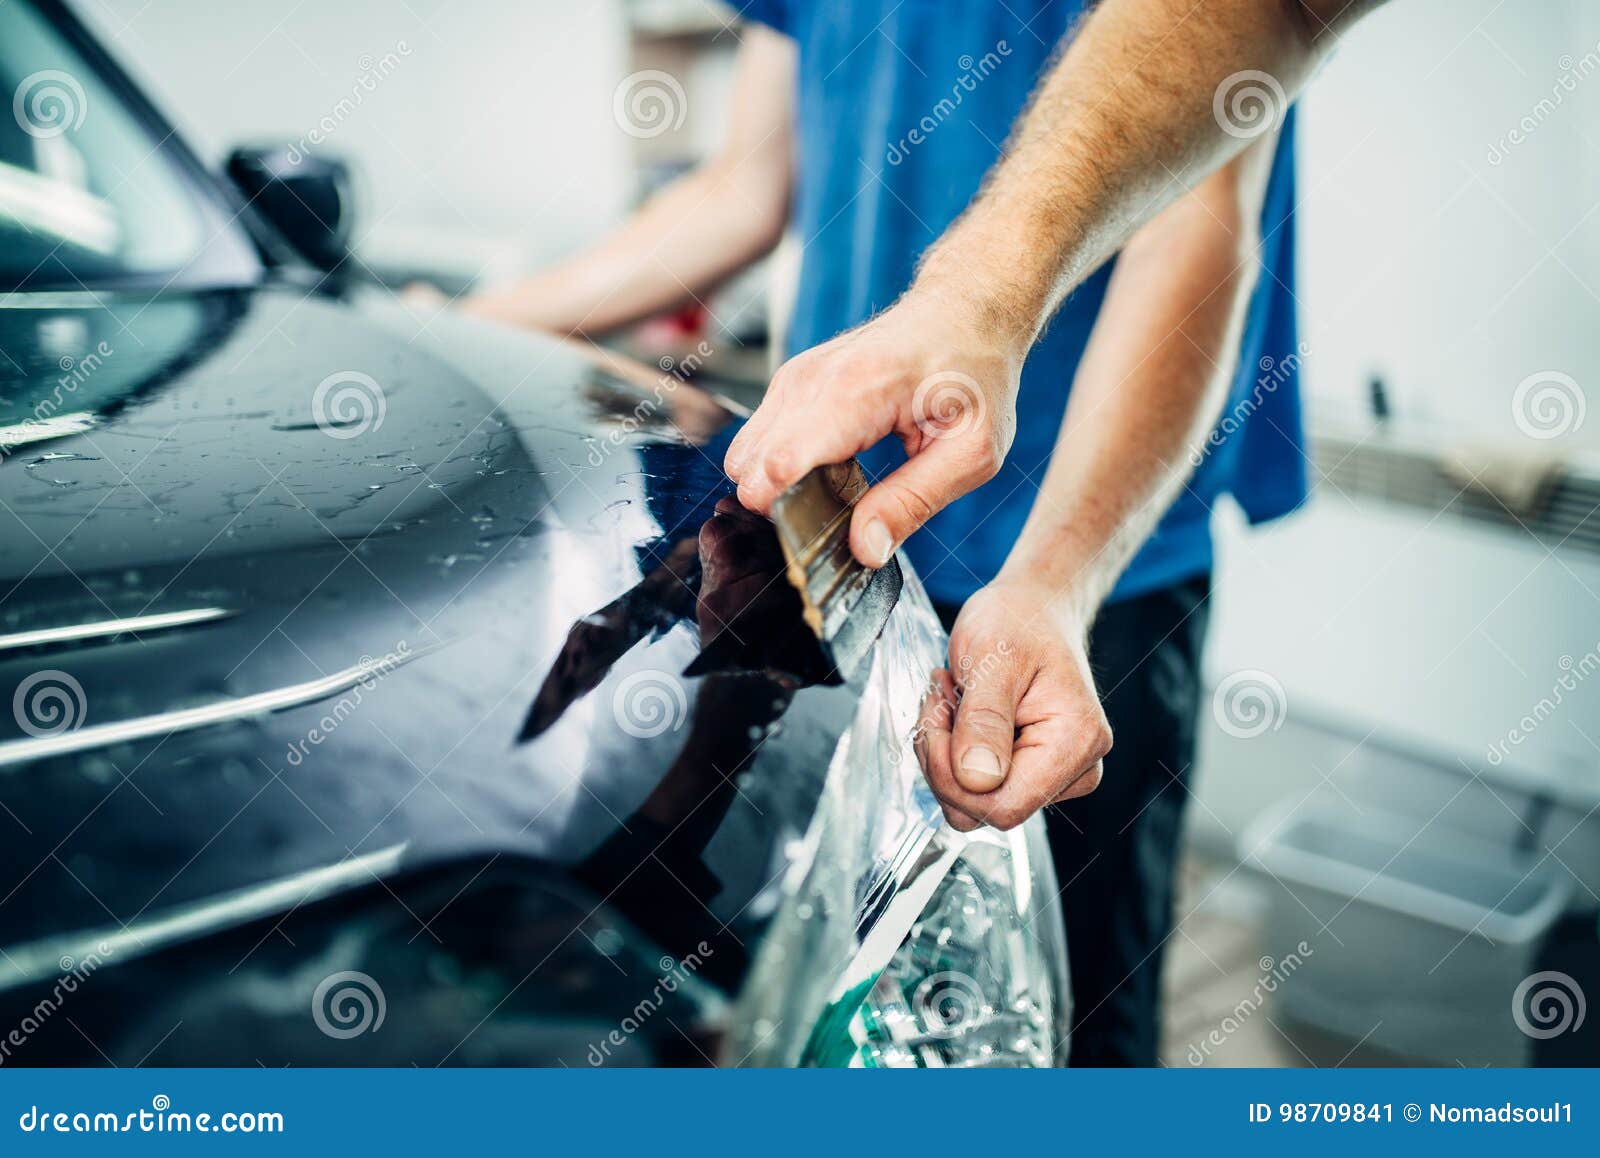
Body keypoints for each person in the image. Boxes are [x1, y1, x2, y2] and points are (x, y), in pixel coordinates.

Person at [426, 0, 1383, 1066]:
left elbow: (1197, 227)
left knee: (1064, 1023)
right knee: (805, 967)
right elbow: (741, 189)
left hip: (1075, 579)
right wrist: (469, 326)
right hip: (841, 549)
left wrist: (1056, 580)